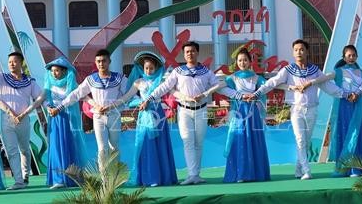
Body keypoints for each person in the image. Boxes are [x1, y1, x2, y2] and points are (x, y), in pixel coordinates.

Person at [139, 41, 238, 185]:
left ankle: (196, 174)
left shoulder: (206, 72)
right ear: (184, 54)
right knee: (187, 141)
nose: (190, 54)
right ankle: (192, 174)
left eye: (192, 51)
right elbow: (164, 87)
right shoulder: (178, 72)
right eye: (187, 52)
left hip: (202, 110)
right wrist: (149, 98)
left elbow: (220, 87)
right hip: (184, 110)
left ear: (197, 53)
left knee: (198, 143)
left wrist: (240, 96)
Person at [245, 39, 345, 180]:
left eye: (302, 49)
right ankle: (307, 170)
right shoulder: (288, 70)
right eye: (296, 50)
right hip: (296, 110)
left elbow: (328, 86)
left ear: (307, 52)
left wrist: (346, 94)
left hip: (312, 110)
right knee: (300, 140)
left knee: (306, 141)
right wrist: (256, 93)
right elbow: (272, 83)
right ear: (293, 53)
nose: (299, 52)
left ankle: (298, 170)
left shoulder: (315, 71)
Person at [50, 49, 127, 174]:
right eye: (98, 61)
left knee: (115, 146)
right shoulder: (91, 79)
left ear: (109, 61)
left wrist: (112, 106)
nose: (101, 64)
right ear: (95, 63)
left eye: (104, 61)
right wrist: (59, 108)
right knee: (102, 148)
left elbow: (126, 96)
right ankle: (104, 178)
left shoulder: (120, 78)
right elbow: (76, 94)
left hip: (114, 116)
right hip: (98, 117)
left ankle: (116, 175)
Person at [111, 51, 178, 187]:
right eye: (146, 68)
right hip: (144, 116)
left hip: (158, 115)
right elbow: (127, 97)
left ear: (156, 68)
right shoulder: (138, 82)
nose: (148, 70)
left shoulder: (161, 80)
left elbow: (172, 92)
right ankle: (150, 178)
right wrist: (112, 104)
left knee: (160, 145)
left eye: (151, 68)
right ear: (142, 68)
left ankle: (163, 177)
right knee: (145, 144)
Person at [21, 56, 87, 189]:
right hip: (55, 120)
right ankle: (58, 178)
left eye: (57, 70)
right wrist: (25, 113)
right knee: (56, 147)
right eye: (52, 71)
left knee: (70, 146)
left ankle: (73, 178)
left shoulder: (71, 84)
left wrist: (95, 105)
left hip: (68, 120)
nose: (54, 73)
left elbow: (80, 97)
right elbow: (39, 100)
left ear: (64, 71)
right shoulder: (49, 85)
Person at [0, 51, 42, 190]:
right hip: (7, 119)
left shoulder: (30, 81)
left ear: (21, 63)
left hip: (23, 119)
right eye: (9, 61)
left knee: (24, 149)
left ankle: (25, 175)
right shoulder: (2, 78)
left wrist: (25, 112)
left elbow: (40, 97)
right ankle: (18, 181)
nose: (11, 64)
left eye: (15, 61)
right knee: (11, 150)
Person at [222, 48, 270, 183]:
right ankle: (241, 174)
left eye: (245, 60)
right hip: (238, 113)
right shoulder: (232, 78)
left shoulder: (256, 78)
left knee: (253, 140)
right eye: (240, 60)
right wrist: (239, 95)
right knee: (240, 140)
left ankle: (256, 173)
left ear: (250, 62)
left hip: (253, 113)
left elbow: (266, 88)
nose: (242, 62)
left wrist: (256, 95)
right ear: (236, 62)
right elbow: (221, 88)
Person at [327, 45, 362, 177]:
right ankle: (348, 168)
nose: (352, 58)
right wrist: (311, 82)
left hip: (359, 106)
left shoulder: (361, 72)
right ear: (344, 57)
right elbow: (326, 80)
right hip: (345, 106)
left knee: (360, 134)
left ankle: (360, 167)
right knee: (347, 133)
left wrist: (358, 94)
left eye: (354, 55)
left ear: (357, 56)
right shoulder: (338, 71)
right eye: (349, 55)